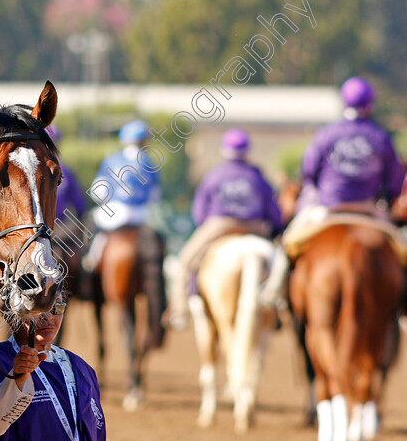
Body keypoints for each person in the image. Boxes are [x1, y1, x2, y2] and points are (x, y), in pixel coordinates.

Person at [169, 128, 282, 329]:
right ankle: (277, 305)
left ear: (224, 150)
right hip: (254, 227)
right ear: (247, 150)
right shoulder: (258, 176)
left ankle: (179, 310)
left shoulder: (214, 175)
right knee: (281, 262)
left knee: (185, 260)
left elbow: (199, 214)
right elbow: (273, 213)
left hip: (219, 226)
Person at [0, 296, 106, 441]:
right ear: (9, 311)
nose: (48, 316)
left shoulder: (83, 369)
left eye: (57, 307)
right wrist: (17, 377)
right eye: (36, 307)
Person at [283, 76, 404, 258]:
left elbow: (308, 171)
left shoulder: (326, 134)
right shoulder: (381, 137)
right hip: (368, 209)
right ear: (371, 103)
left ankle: (271, 287)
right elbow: (394, 180)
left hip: (327, 208)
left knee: (285, 246)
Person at [82, 120, 166, 334]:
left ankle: (88, 265)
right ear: (143, 141)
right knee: (160, 240)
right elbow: (155, 195)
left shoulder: (112, 159)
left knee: (92, 227)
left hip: (114, 214)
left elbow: (97, 192)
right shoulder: (150, 161)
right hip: (141, 216)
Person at [44, 125, 87, 222]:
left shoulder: (66, 173)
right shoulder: (27, 174)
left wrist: (69, 228)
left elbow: (81, 209)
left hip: (61, 230)